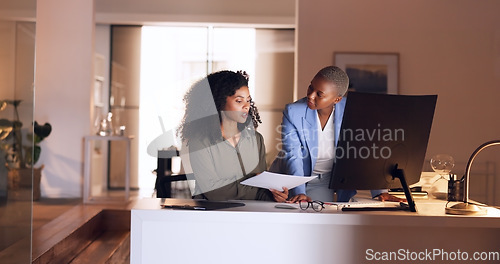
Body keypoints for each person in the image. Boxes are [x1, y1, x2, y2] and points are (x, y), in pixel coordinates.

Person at [269, 66, 404, 203]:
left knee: (320, 217)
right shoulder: (293, 112)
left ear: (337, 99)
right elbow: (293, 155)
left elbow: (368, 149)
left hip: (323, 181)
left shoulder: (353, 110)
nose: (311, 95)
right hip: (289, 179)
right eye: (311, 87)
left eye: (319, 94)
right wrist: (299, 193)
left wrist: (380, 192)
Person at [177, 70, 287, 201]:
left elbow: (261, 184)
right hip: (213, 213)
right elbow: (214, 192)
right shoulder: (200, 142)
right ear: (218, 102)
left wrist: (276, 195)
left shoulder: (255, 139)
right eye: (239, 101)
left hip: (252, 211)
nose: (246, 106)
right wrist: (259, 191)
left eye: (248, 100)